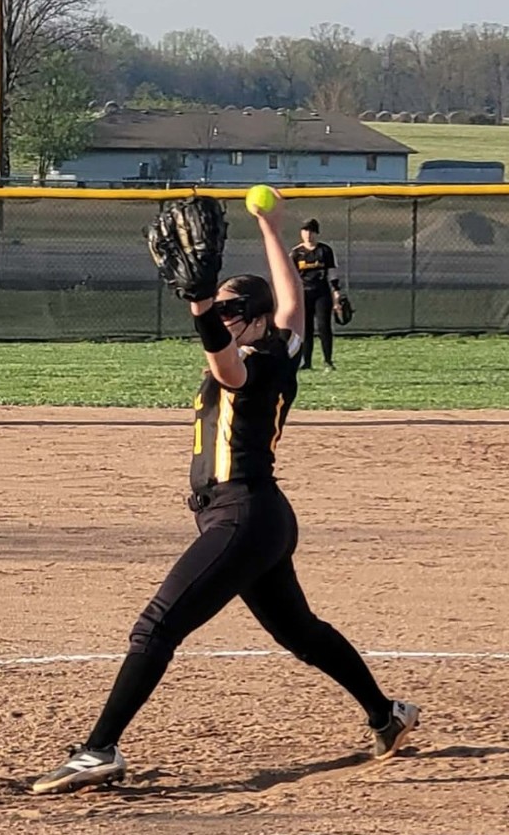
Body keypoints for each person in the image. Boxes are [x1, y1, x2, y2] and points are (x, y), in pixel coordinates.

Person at [32, 195, 419, 795]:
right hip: (254, 517)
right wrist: (270, 226)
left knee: (156, 627)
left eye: (234, 309)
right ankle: (386, 715)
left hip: (243, 514)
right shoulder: (280, 344)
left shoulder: (257, 362)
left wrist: (199, 306)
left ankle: (98, 749)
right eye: (221, 307)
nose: (224, 314)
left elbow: (226, 366)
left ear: (255, 321)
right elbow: (292, 303)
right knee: (300, 632)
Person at [289, 217, 341, 371]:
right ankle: (307, 362)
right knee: (306, 329)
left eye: (311, 231)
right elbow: (290, 276)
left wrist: (336, 293)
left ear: (316, 233)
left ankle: (328, 361)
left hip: (321, 293)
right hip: (303, 294)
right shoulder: (296, 253)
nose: (308, 234)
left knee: (324, 326)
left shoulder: (324, 250)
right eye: (305, 231)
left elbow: (332, 272)